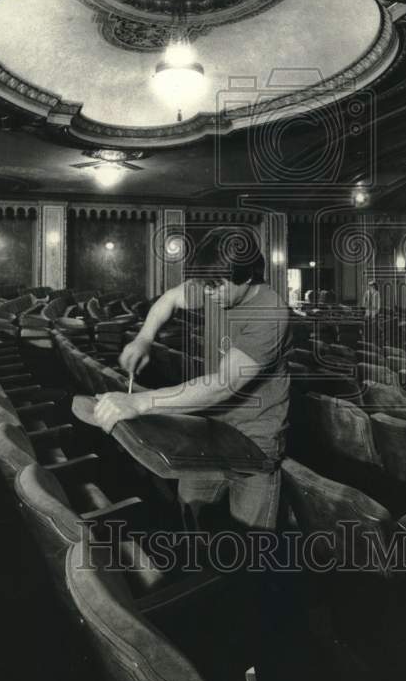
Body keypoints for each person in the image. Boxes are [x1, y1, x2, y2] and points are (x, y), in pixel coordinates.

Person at [92, 226, 292, 530]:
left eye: (215, 286)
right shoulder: (215, 286)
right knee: (193, 525)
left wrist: (139, 402)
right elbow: (169, 300)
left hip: (254, 443)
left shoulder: (271, 313)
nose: (208, 292)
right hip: (209, 432)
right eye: (205, 285)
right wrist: (144, 338)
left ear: (248, 276)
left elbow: (221, 386)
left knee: (254, 548)